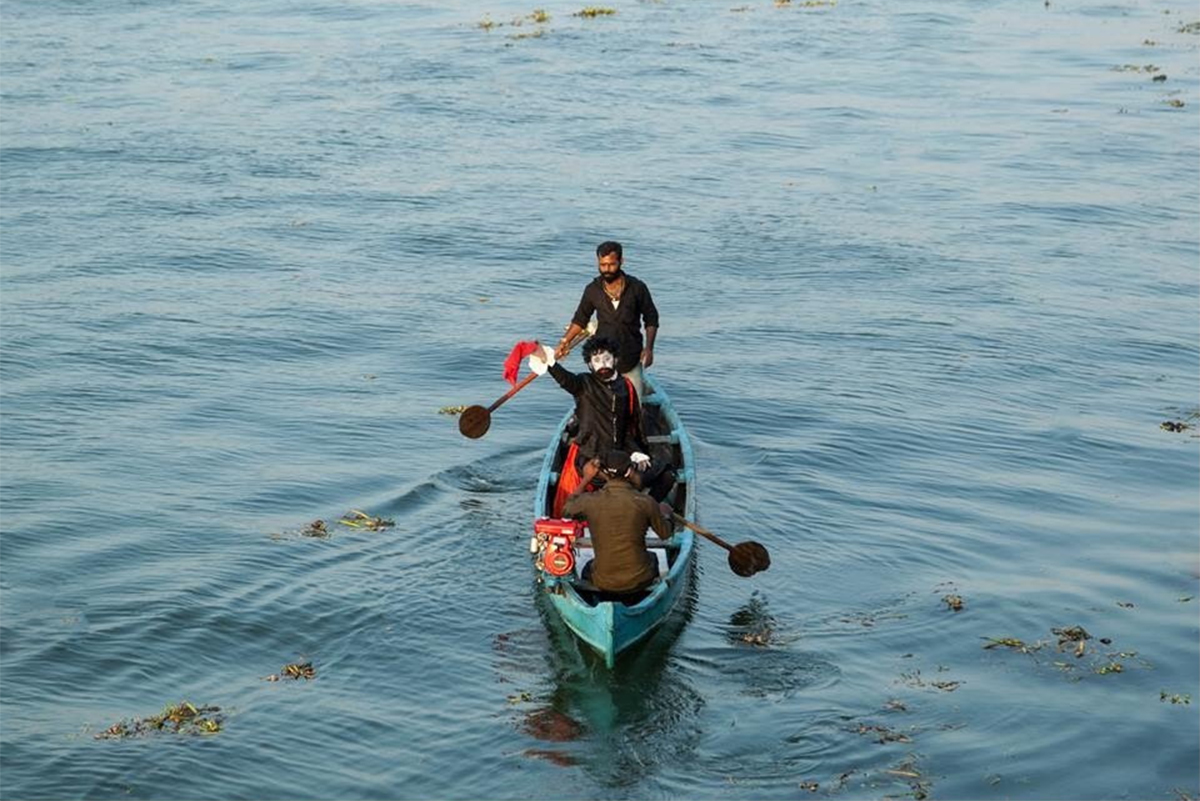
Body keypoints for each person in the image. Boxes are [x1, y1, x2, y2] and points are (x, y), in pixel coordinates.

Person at [527, 335, 651, 517]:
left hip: (619, 453)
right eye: (597, 360)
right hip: (590, 454)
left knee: (663, 475)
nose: (603, 364)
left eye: (607, 359)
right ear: (590, 364)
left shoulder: (625, 387)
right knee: (612, 480)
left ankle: (644, 512)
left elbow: (628, 427)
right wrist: (549, 361)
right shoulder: (584, 383)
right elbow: (566, 380)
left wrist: (636, 451)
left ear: (615, 360)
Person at [554, 241, 659, 400]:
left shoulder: (637, 288)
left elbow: (651, 319)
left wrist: (649, 349)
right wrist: (565, 342)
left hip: (630, 357)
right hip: (602, 360)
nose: (607, 269)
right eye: (602, 265)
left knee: (633, 405)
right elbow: (580, 320)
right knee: (602, 404)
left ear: (621, 262)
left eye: (611, 264)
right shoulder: (592, 290)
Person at [563, 450, 673, 597]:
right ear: (629, 472)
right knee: (652, 557)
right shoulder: (646, 502)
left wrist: (586, 479)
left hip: (603, 581)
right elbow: (665, 533)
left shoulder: (590, 501)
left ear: (603, 473)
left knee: (589, 567)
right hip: (639, 579)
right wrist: (667, 515)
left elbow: (566, 510)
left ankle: (593, 599)